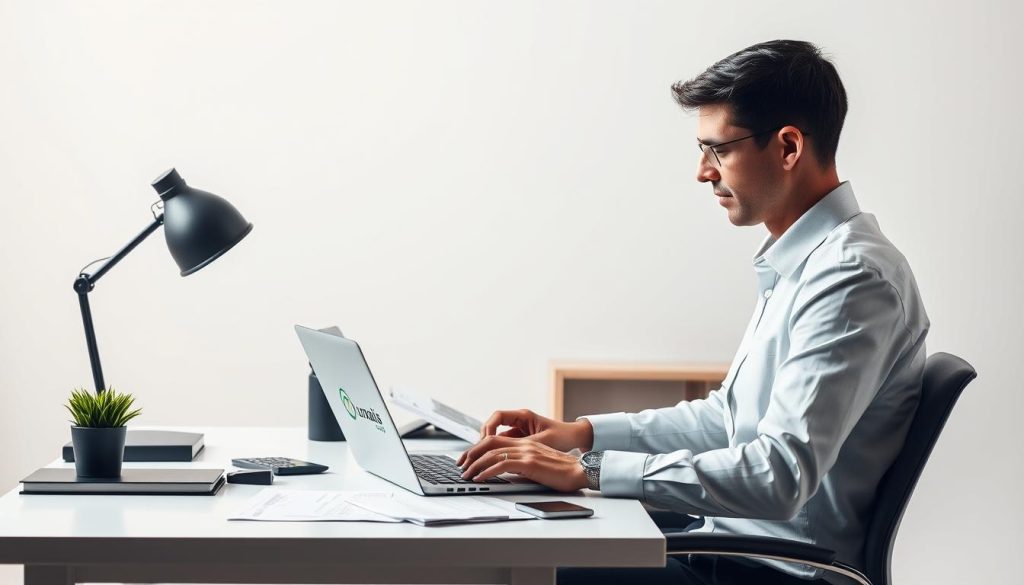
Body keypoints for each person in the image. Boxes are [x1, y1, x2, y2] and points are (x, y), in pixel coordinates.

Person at [456, 39, 930, 584]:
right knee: (521, 545)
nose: (703, 172)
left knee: (517, 567)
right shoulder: (807, 264)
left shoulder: (851, 279)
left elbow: (778, 475)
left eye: (718, 150)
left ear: (789, 146)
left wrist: (587, 471)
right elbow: (726, 419)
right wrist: (579, 434)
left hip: (775, 573)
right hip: (730, 547)